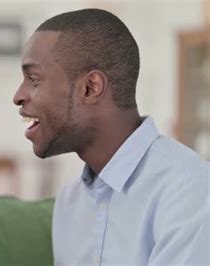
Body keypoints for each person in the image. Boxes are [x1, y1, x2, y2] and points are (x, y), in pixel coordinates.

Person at [13, 8, 208, 265]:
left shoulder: (192, 190)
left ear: (90, 88)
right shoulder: (69, 202)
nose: (18, 95)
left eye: (34, 79)